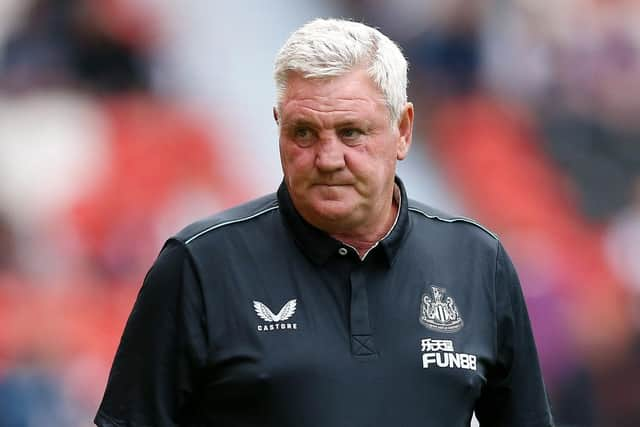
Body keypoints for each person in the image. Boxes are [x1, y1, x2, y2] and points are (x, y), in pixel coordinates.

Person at [94, 18, 554, 427]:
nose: (328, 158)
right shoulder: (199, 264)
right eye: (304, 133)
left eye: (351, 132)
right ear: (278, 127)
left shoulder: (478, 261)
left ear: (403, 131)